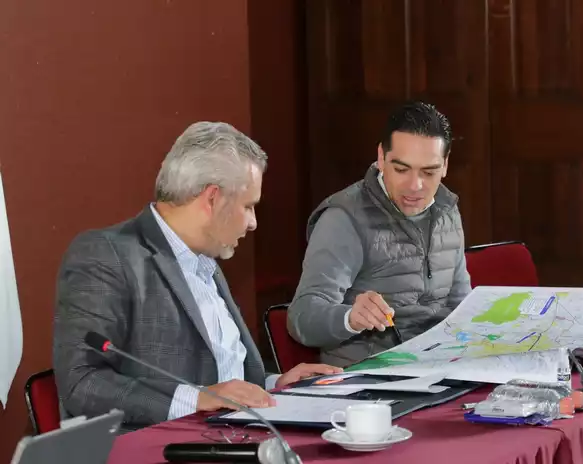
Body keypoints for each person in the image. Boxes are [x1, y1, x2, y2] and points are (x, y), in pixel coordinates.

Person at [53, 122, 341, 431]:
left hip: (233, 437)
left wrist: (273, 385)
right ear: (212, 198)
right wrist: (196, 399)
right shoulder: (106, 254)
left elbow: (221, 378)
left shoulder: (206, 260)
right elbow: (82, 382)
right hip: (160, 446)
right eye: (248, 206)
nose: (253, 223)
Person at [287, 101, 472, 367]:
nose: (415, 186)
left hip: (436, 366)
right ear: (381, 158)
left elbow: (461, 306)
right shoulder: (344, 218)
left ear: (445, 164)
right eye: (401, 169)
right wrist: (349, 318)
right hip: (368, 375)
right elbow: (301, 318)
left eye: (429, 172)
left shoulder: (447, 209)